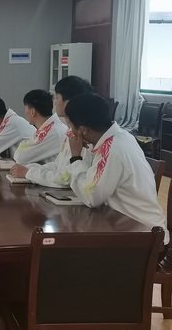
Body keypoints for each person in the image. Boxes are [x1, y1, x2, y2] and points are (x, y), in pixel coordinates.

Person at [65, 93, 169, 245]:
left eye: (70, 127)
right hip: (127, 226)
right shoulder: (118, 136)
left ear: (82, 131)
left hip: (144, 237)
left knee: (73, 247)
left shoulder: (112, 149)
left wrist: (75, 157)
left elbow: (91, 197)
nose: (70, 133)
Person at [10, 75, 95, 186]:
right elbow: (58, 165)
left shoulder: (83, 135)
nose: (55, 102)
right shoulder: (70, 131)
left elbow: (67, 179)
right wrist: (29, 169)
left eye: (57, 97)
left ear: (70, 102)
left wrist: (29, 172)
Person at [13, 89, 68, 165]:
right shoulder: (44, 128)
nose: (25, 112)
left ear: (32, 112)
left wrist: (23, 148)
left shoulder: (54, 131)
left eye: (25, 108)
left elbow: (20, 158)